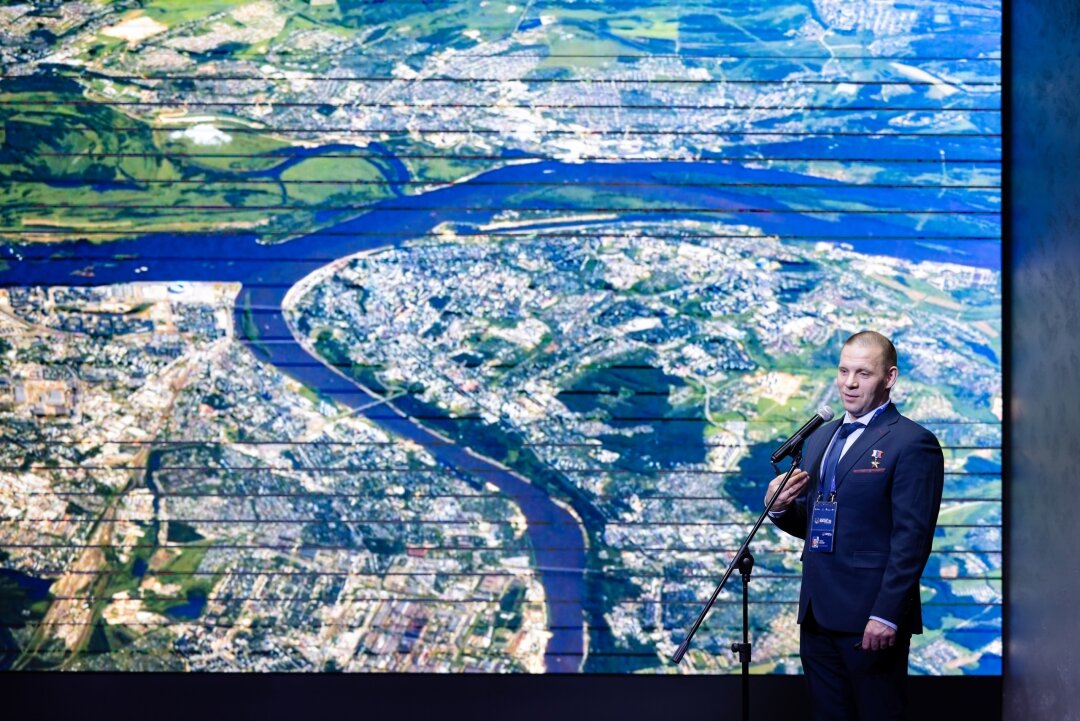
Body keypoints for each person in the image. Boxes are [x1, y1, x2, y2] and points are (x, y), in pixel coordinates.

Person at [765, 331, 944, 720]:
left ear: (889, 377)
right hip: (816, 613)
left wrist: (886, 614)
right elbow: (818, 522)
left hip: (870, 618)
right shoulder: (820, 438)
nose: (849, 382)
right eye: (844, 370)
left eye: (863, 373)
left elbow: (911, 539)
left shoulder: (913, 443)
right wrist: (778, 509)